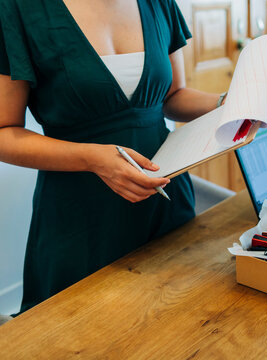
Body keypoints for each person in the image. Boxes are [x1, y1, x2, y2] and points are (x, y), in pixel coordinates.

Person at [0, 0, 222, 312]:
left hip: (164, 203)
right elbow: (4, 132)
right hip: (80, 216)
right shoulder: (19, 8)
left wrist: (230, 102)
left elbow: (173, 96)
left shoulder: (158, 3)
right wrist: (92, 158)